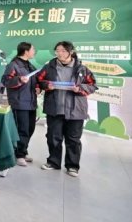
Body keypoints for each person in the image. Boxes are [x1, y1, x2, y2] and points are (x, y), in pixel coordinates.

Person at [37, 41, 98, 177]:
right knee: (53, 137)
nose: (60, 53)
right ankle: (53, 162)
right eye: (57, 50)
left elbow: (93, 85)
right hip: (55, 108)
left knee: (73, 139)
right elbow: (39, 80)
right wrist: (46, 85)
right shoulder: (49, 67)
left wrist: (80, 88)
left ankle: (72, 166)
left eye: (63, 51)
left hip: (76, 110)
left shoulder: (82, 69)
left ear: (71, 52)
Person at [2, 42, 38, 167]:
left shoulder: (30, 65)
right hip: (19, 102)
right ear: (26, 51)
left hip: (31, 102)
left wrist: (38, 87)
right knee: (22, 129)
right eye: (33, 49)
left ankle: (23, 150)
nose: (34, 51)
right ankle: (19, 154)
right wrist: (19, 79)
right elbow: (6, 81)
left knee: (30, 128)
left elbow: (34, 81)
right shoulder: (14, 65)